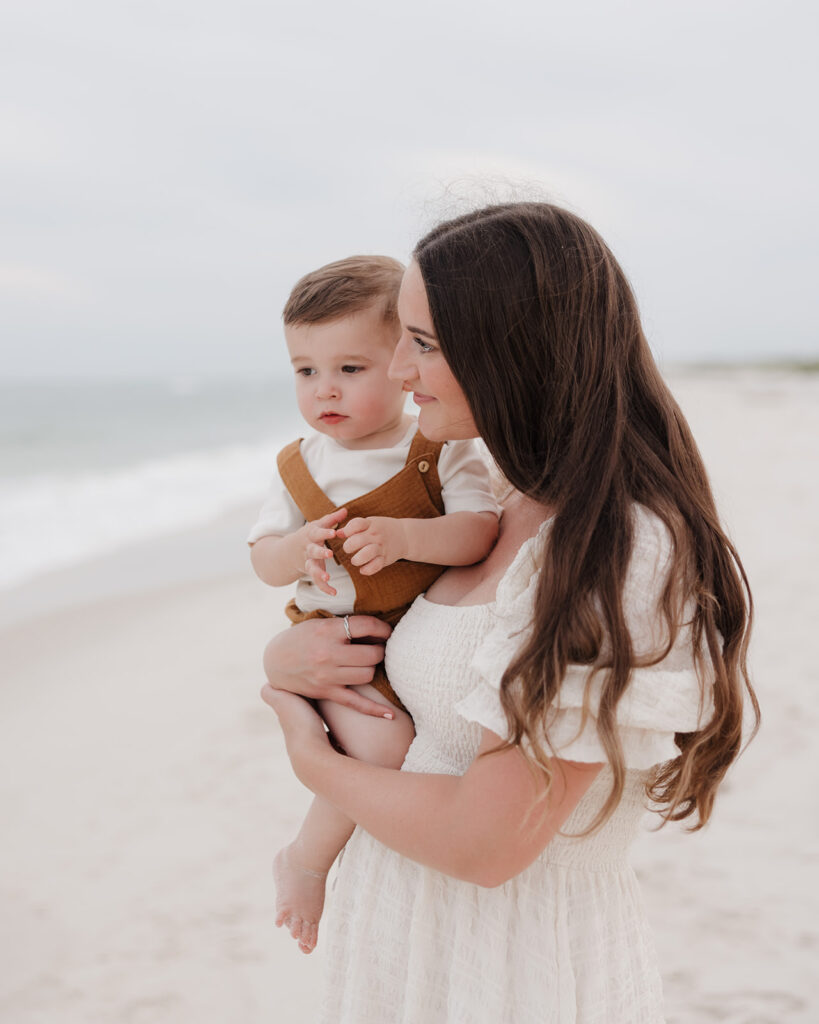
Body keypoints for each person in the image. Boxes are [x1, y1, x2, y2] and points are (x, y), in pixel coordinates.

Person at [260, 203, 759, 1023]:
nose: (396, 367)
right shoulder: (495, 499)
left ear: (510, 350)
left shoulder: (619, 545)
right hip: (400, 928)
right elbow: (387, 637)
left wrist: (309, 758)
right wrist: (291, 660)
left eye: (421, 343)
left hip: (510, 964)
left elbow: (484, 844)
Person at [248, 254, 499, 954]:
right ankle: (306, 856)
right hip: (341, 647)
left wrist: (404, 535)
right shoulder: (300, 464)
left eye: (348, 369)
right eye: (305, 370)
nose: (323, 390)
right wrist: (297, 549)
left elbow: (478, 532)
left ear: (401, 361)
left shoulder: (439, 451)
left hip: (409, 634)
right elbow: (264, 560)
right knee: (385, 748)